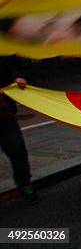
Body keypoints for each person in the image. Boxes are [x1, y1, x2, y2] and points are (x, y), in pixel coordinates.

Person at [0, 58, 39, 205]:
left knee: (18, 152)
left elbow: (11, 68)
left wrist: (18, 78)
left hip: (5, 118)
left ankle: (25, 186)